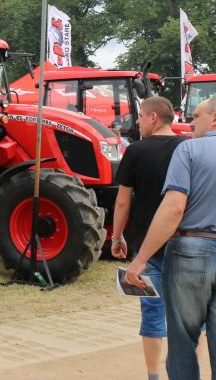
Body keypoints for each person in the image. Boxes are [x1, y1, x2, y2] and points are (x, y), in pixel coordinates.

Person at [126, 97, 216, 379]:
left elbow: (174, 207)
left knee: (182, 339)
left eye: (197, 115)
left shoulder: (188, 149)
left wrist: (140, 259)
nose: (190, 121)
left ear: (214, 119)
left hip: (191, 250)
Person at [111, 97, 186, 380]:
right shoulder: (187, 147)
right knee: (189, 315)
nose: (138, 122)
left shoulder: (135, 151)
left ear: (153, 118)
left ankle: (154, 375)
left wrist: (117, 237)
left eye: (141, 116)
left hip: (147, 246)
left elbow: (122, 202)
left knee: (153, 314)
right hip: (183, 242)